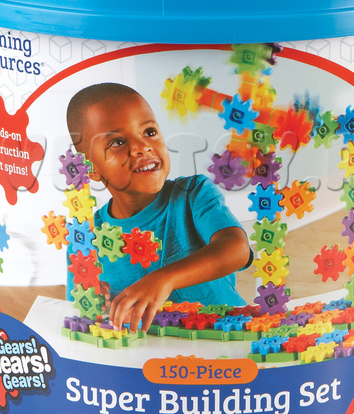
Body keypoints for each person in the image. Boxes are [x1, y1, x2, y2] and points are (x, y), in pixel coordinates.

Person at [67, 82, 252, 333]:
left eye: (149, 132)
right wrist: (94, 305)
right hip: (149, 349)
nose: (142, 146)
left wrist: (163, 279)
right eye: (118, 142)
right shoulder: (85, 237)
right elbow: (78, 309)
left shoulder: (193, 193)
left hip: (227, 334)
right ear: (91, 168)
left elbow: (237, 249)